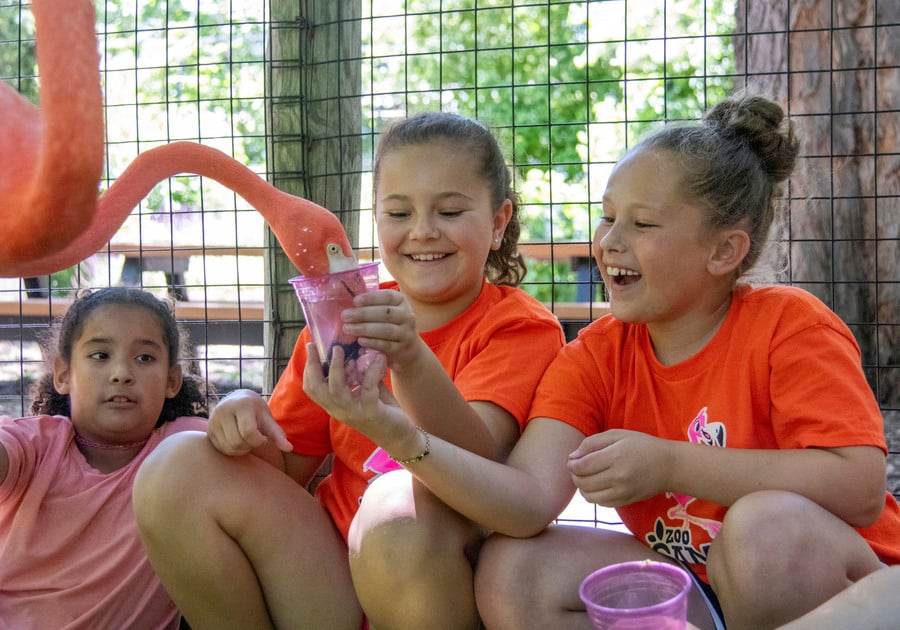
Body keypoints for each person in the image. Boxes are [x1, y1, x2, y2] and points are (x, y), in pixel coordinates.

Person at [303, 92, 900, 630]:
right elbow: (525, 502)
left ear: (724, 250)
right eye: (608, 216)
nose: (609, 241)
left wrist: (671, 464)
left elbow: (858, 488)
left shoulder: (788, 323)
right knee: (515, 569)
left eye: (641, 224)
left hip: (841, 587)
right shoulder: (595, 353)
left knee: (764, 530)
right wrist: (397, 432)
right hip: (700, 590)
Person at [132, 111, 566, 629]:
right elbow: (282, 468)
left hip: (437, 580)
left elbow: (479, 461)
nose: (423, 232)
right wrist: (240, 416)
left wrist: (408, 359)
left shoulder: (519, 327)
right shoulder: (340, 320)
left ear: (498, 222)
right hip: (328, 579)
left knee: (396, 509)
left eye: (449, 211)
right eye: (398, 213)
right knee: (176, 465)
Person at [0, 287, 211, 629]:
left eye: (144, 358)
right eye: (100, 355)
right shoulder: (35, 444)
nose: (121, 374)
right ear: (63, 375)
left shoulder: (183, 447)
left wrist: (241, 401)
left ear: (172, 381)